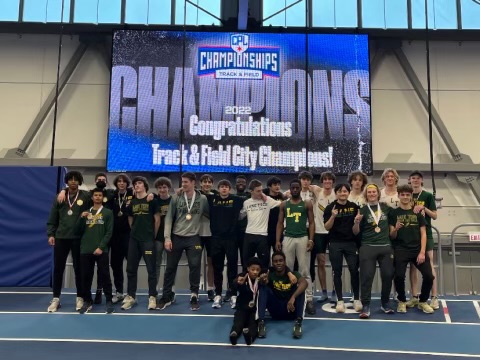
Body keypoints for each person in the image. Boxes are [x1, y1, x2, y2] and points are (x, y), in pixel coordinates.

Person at [158, 172, 209, 311]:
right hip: (176, 237)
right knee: (170, 268)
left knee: (195, 266)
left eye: (186, 182)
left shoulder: (202, 198)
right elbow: (168, 218)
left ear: (193, 182)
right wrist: (167, 238)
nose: (183, 184)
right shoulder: (176, 197)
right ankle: (167, 295)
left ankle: (194, 295)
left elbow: (210, 214)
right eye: (182, 182)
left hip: (193, 237)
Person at [47, 171, 90, 312]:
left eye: (75, 179)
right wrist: (51, 234)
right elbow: (53, 217)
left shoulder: (85, 195)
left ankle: (80, 297)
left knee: (79, 269)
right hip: (61, 237)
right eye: (70, 179)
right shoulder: (59, 197)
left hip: (78, 238)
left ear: (79, 181)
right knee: (58, 269)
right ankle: (56, 298)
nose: (73, 181)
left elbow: (100, 196)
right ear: (67, 181)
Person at [389, 184, 434, 314]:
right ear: (398, 196)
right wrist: (396, 229)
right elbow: (392, 235)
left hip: (417, 250)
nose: (405, 197)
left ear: (411, 197)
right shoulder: (394, 213)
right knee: (398, 276)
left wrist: (422, 252)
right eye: (402, 194)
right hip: (400, 249)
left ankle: (423, 301)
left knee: (429, 276)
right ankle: (402, 301)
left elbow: (424, 233)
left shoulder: (417, 212)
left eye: (407, 195)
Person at [353, 183, 394, 319]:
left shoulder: (386, 208)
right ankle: (366, 305)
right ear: (366, 195)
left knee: (388, 275)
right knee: (366, 277)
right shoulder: (362, 210)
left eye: (374, 192)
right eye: (369, 192)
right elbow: (355, 232)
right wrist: (357, 222)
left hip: (385, 246)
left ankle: (385, 303)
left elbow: (392, 227)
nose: (371, 194)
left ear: (378, 193)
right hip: (367, 246)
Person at [276, 179, 315, 316]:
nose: (295, 190)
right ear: (290, 189)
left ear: (300, 188)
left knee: (304, 270)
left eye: (297, 187)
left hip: (303, 237)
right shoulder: (284, 204)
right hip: (288, 237)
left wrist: (311, 239)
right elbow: (280, 223)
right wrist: (278, 240)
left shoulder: (307, 203)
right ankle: (289, 296)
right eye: (293, 188)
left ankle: (309, 299)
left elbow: (311, 222)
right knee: (288, 269)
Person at [122, 176, 160, 311]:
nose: (137, 185)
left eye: (139, 183)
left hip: (148, 239)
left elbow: (157, 220)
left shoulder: (152, 200)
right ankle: (131, 296)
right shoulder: (132, 202)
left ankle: (152, 296)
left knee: (151, 270)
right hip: (134, 239)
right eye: (135, 184)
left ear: (145, 186)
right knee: (131, 269)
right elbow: (130, 219)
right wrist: (135, 232)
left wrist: (152, 236)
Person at [324, 183, 362, 313]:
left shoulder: (354, 207)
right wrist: (333, 216)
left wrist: (357, 222)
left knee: (354, 270)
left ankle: (356, 298)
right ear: (336, 193)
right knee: (337, 271)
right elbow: (326, 227)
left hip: (351, 243)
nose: (342, 193)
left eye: (345, 191)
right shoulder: (330, 207)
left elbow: (356, 231)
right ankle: (340, 300)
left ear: (348, 193)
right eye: (340, 191)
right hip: (335, 243)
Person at [76, 188, 114, 314]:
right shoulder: (85, 212)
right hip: (86, 249)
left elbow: (109, 232)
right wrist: (81, 218)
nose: (97, 197)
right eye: (95, 195)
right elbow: (78, 231)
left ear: (103, 198)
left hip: (101, 250)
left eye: (100, 195)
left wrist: (101, 247)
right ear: (92, 198)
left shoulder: (108, 213)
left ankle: (109, 300)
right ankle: (87, 301)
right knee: (85, 277)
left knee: (105, 276)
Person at [208, 179, 245, 309]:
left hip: (231, 239)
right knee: (217, 267)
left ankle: (233, 294)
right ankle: (218, 294)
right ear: (218, 189)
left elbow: (256, 194)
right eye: (222, 187)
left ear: (230, 189)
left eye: (226, 187)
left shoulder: (237, 200)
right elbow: (198, 192)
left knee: (232, 267)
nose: (224, 189)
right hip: (216, 238)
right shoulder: (211, 200)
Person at [407, 171, 439, 310]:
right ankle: (414, 296)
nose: (415, 180)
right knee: (413, 266)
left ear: (422, 181)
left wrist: (424, 208)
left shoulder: (427, 195)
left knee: (429, 264)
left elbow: (435, 216)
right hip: (411, 234)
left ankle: (434, 297)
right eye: (413, 178)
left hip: (426, 233)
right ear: (409, 180)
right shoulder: (406, 194)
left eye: (418, 178)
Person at [257, 251, 307, 339]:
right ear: (272, 263)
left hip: (290, 310)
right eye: (276, 261)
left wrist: (293, 297)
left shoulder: (294, 274)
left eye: (281, 260)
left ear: (285, 262)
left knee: (301, 290)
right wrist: (263, 281)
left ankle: (298, 323)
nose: (278, 263)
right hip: (276, 310)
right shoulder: (270, 275)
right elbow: (262, 282)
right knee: (263, 288)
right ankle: (261, 323)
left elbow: (304, 283)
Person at [306, 171, 336, 304]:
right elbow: (304, 185)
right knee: (321, 262)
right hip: (319, 231)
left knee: (336, 263)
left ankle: (336, 291)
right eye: (325, 180)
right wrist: (286, 193)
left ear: (333, 182)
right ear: (322, 182)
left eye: (330, 180)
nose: (327, 182)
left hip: (334, 232)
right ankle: (324, 292)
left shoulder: (337, 193)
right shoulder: (318, 191)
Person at [241, 179, 280, 270]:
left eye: (261, 190)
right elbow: (240, 216)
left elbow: (282, 204)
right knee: (246, 262)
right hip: (249, 234)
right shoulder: (246, 202)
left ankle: (263, 283)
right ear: (251, 191)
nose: (260, 192)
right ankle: (246, 283)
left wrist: (287, 195)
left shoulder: (268, 200)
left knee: (264, 263)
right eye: (258, 191)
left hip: (262, 235)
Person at [110, 173, 134, 304]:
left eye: (124, 181)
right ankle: (119, 292)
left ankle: (130, 293)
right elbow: (94, 193)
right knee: (115, 265)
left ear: (127, 183)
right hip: (115, 236)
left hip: (129, 235)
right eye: (119, 181)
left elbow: (147, 195)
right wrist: (64, 189)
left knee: (130, 265)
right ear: (116, 183)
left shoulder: (133, 193)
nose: (121, 183)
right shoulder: (112, 195)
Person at [229, 257, 263, 346]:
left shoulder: (261, 279)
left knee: (253, 323)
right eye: (253, 269)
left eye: (257, 270)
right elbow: (235, 282)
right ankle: (234, 334)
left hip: (254, 310)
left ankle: (249, 336)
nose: (255, 272)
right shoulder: (242, 276)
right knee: (239, 321)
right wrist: (237, 282)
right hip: (242, 308)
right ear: (248, 269)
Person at [153, 176, 174, 301]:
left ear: (169, 188)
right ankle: (154, 290)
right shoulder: (154, 201)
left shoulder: (174, 200)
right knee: (156, 265)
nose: (162, 190)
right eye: (160, 188)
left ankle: (171, 290)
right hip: (158, 238)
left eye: (164, 187)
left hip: (172, 238)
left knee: (171, 266)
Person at [199, 174, 216, 302]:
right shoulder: (194, 195)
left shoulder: (216, 196)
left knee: (211, 263)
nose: (207, 184)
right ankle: (195, 290)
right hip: (197, 234)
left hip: (211, 235)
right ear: (200, 183)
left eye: (209, 182)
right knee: (195, 263)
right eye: (204, 182)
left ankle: (210, 288)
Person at [263, 176, 285, 255]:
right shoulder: (264, 198)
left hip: (278, 231)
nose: (277, 186)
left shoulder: (282, 198)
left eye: (279, 184)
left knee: (279, 255)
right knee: (265, 257)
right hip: (266, 231)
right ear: (269, 186)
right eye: (275, 184)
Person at [234, 175, 250, 269]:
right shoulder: (231, 197)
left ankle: (246, 280)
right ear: (235, 185)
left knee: (246, 258)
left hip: (246, 231)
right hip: (233, 233)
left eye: (243, 182)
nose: (241, 184)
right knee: (233, 259)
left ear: (246, 185)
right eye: (239, 182)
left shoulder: (250, 196)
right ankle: (233, 283)